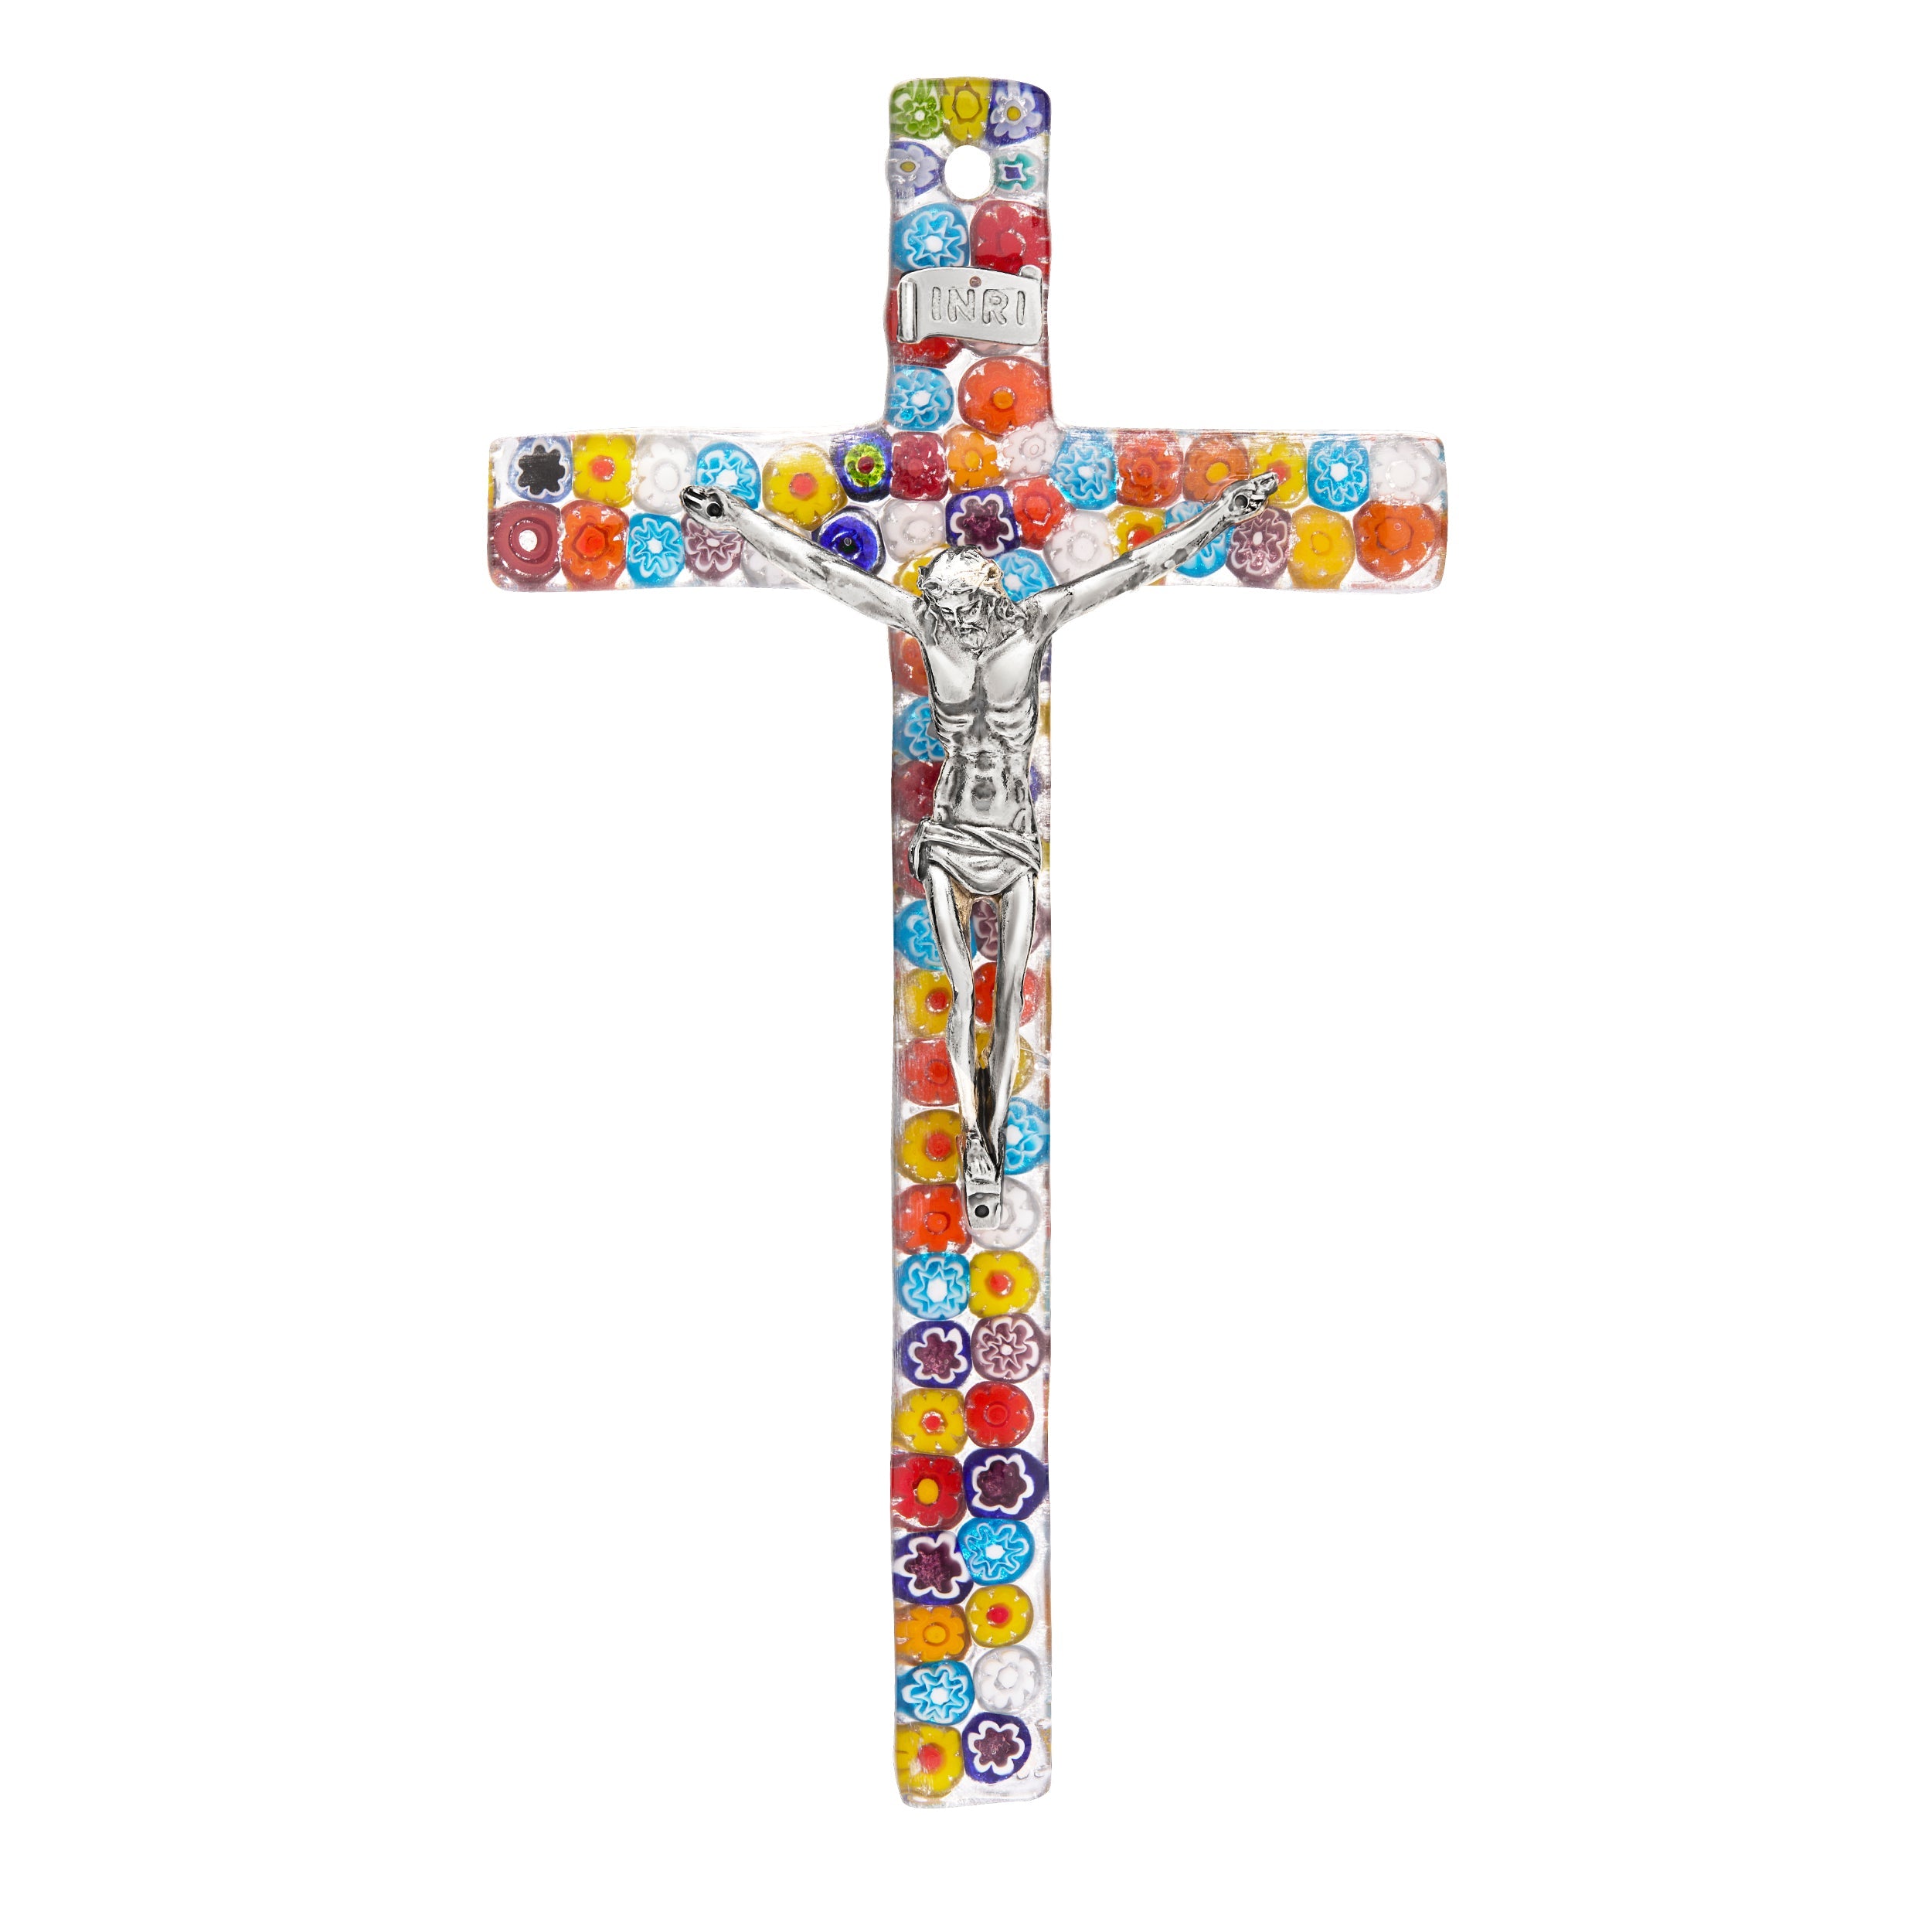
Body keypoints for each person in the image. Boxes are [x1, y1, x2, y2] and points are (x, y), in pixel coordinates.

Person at [682, 470, 1277, 1226]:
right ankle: (976, 1138)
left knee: (1009, 996)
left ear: (989, 594)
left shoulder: (1034, 623)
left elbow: (1135, 567)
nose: (950, 620)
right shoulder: (931, 627)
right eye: (942, 608)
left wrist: (1221, 513)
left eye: (960, 607)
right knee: (962, 992)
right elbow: (831, 573)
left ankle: (993, 1131)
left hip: (1015, 838)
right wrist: (738, 517)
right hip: (948, 833)